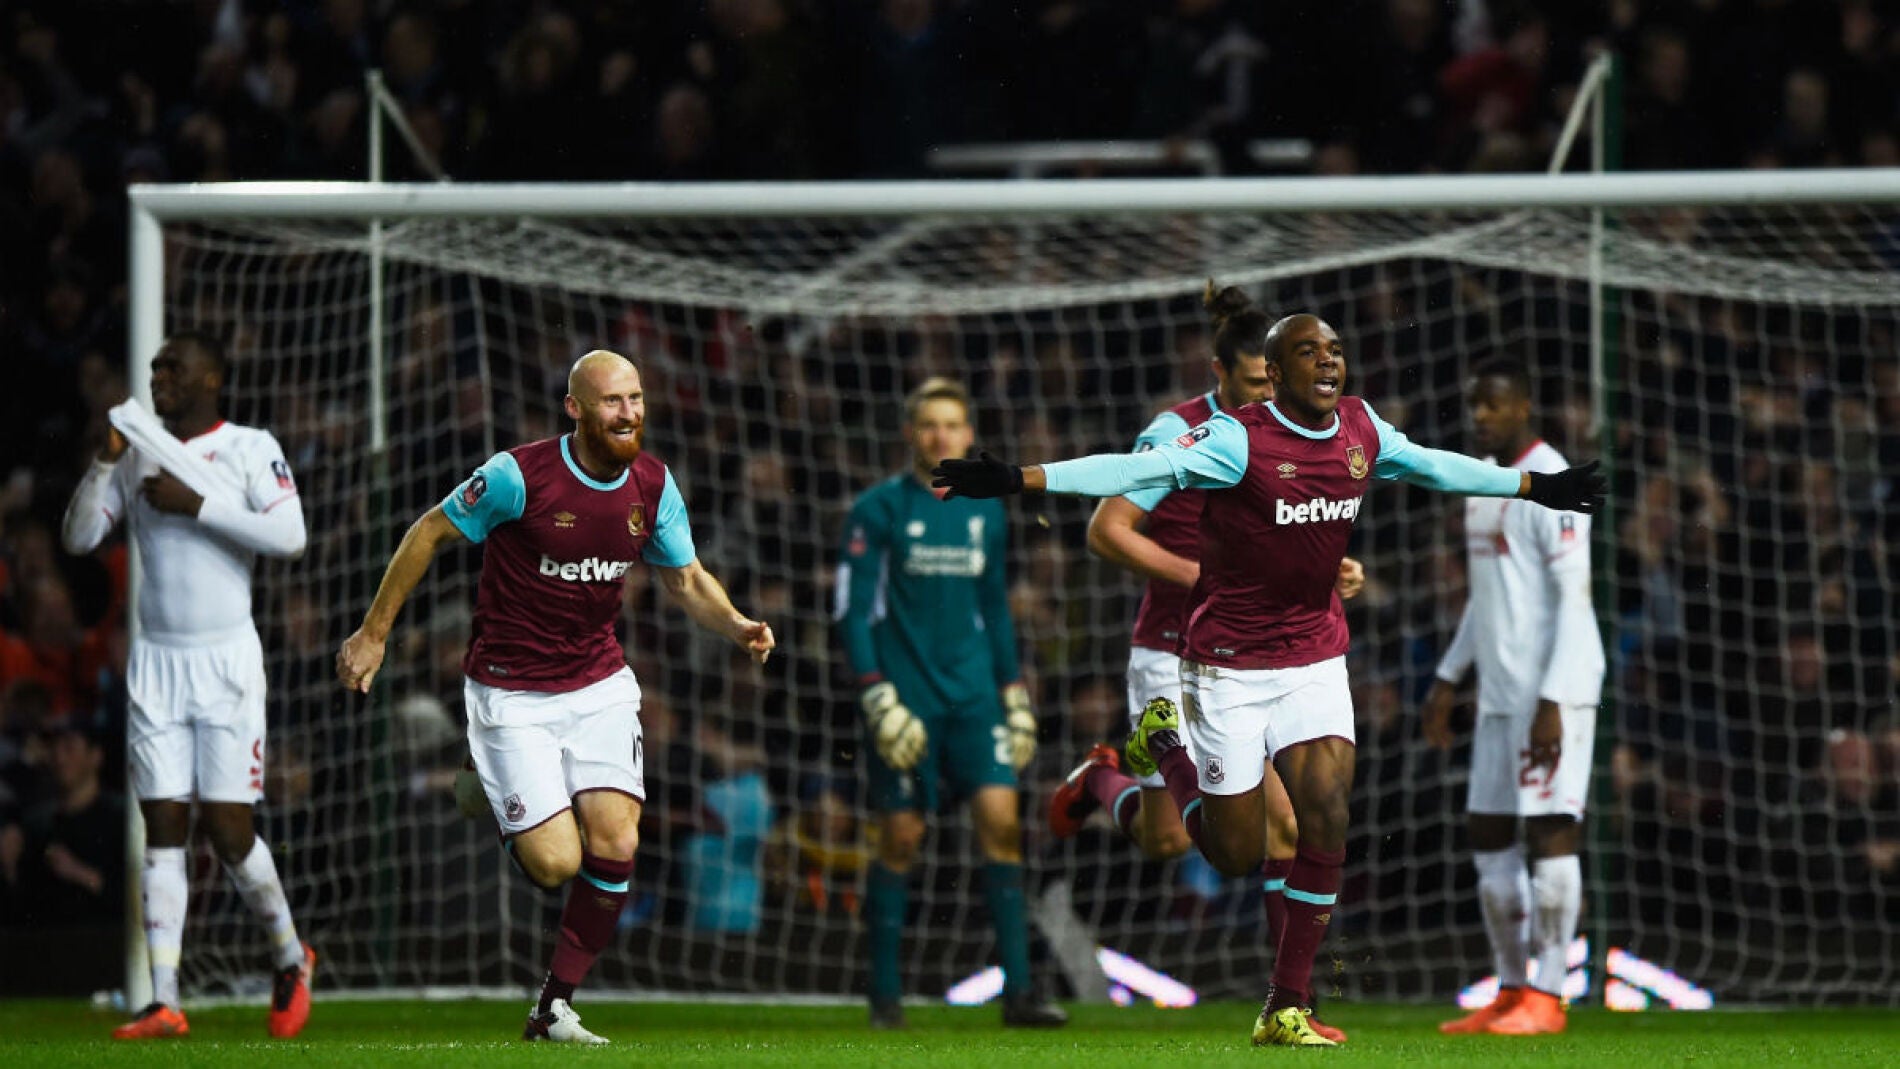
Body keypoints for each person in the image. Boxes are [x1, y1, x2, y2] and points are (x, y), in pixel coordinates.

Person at [932, 307, 1603, 1046]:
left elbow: (1437, 464)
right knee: (1232, 852)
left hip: (1314, 655)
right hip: (1227, 668)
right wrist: (1017, 478)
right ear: (1272, 376)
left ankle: (1287, 1004)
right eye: (1308, 351)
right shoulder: (1233, 439)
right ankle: (1165, 752)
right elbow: (1130, 473)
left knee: (1326, 814)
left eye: (1336, 348)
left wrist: (1535, 487)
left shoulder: (1361, 427)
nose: (1328, 361)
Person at [336, 350, 774, 1044]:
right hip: (510, 692)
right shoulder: (519, 476)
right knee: (555, 863)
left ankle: (551, 1006)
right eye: (611, 401)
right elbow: (430, 530)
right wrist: (373, 633)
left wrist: (738, 624)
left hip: (598, 683)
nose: (628, 412)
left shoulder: (653, 485)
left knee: (618, 838)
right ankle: (490, 782)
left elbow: (685, 578)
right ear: (575, 408)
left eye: (635, 398)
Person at [1046, 285, 1361, 1042]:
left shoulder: (1297, 431)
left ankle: (1292, 1000)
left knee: (1277, 831)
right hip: (1175, 647)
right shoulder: (1177, 431)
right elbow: (1108, 528)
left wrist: (1326, 574)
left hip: (1260, 652)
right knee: (1173, 842)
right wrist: (1199, 578)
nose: (1270, 394)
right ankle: (1104, 777)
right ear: (1221, 372)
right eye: (1255, 383)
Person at [60, 331, 316, 1040]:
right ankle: (164, 997)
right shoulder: (137, 445)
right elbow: (80, 538)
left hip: (227, 661)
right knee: (164, 823)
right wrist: (101, 464)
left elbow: (291, 534)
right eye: (156, 368)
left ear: (212, 379)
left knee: (230, 831)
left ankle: (292, 957)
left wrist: (196, 503)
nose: (159, 374)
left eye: (174, 366)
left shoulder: (248, 446)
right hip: (157, 663)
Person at [835, 376, 1067, 1030]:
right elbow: (853, 612)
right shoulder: (877, 509)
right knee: (902, 834)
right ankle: (884, 994)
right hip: (906, 698)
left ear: (969, 435)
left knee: (1001, 821)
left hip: (973, 699)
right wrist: (876, 694)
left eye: (953, 424)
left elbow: (993, 607)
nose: (941, 435)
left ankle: (1019, 991)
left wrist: (1013, 692)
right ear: (911, 432)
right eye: (929, 424)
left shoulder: (985, 509)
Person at [1420, 360, 1604, 1036]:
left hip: (1551, 692)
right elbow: (1486, 597)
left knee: (1551, 830)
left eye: (1495, 404)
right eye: (1476, 404)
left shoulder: (1553, 482)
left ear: (1525, 404)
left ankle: (1548, 996)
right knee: (1487, 831)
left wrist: (1554, 697)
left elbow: (1573, 597)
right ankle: (1510, 986)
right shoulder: (1484, 484)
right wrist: (1447, 676)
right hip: (1499, 695)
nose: (1483, 416)